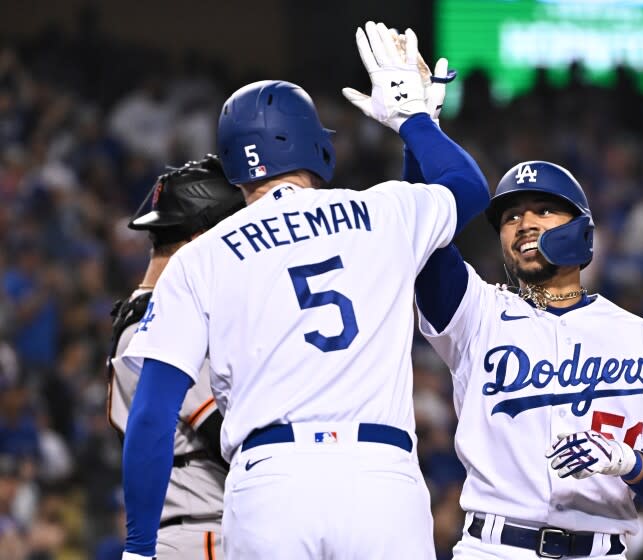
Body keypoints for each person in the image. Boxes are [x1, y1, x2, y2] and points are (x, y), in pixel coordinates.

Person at [118, 21, 489, 560]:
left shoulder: (200, 257)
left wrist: (137, 548)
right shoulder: (380, 211)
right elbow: (466, 188)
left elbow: (151, 413)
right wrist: (415, 122)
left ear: (232, 165)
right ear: (317, 146)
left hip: (272, 482)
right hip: (380, 479)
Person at [414, 160, 643, 559]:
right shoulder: (477, 314)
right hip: (495, 549)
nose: (524, 223)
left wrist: (627, 461)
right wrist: (416, 130)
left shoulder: (640, 337)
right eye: (511, 216)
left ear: (581, 229)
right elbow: (423, 234)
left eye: (544, 210)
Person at [107, 154, 245, 559]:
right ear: (202, 238)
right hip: (202, 535)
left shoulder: (148, 314)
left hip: (198, 531)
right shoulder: (159, 322)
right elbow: (222, 431)